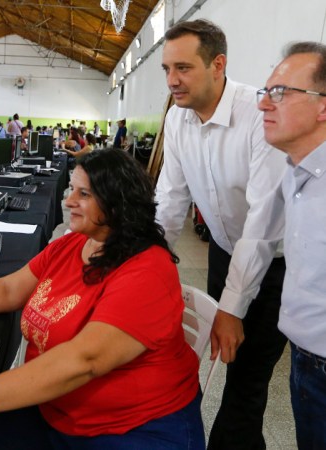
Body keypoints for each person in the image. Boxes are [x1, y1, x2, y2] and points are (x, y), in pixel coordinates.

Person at [0, 149, 205, 450]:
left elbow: (87, 359)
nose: (69, 201)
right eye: (72, 190)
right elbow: (10, 289)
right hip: (59, 410)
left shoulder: (148, 270)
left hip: (132, 428)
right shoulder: (75, 244)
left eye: (84, 194)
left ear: (117, 202)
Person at [155, 19, 287, 450]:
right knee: (223, 362)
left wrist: (232, 307)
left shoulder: (259, 114)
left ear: (218, 64)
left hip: (278, 264)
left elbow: (263, 224)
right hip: (224, 251)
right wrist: (142, 263)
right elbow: (170, 200)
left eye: (183, 68)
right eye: (166, 69)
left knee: (247, 380)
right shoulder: (177, 119)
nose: (172, 80)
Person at [257, 41, 326, 450]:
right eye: (265, 92)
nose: (263, 104)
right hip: (305, 362)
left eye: (280, 92)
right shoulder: (295, 173)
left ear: (323, 106)